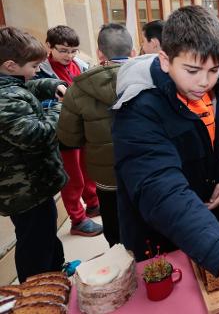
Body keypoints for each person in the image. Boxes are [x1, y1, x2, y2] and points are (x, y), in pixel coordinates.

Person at [111, 5, 219, 313]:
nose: (204, 82)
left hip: (205, 221)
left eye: (214, 70)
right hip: (160, 237)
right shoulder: (137, 107)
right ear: (166, 60)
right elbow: (159, 186)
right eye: (192, 71)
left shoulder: (212, 90)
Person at [57, 24, 136, 247]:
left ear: (100, 53)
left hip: (105, 174)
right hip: (143, 166)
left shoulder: (79, 88)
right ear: (132, 52)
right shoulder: (149, 79)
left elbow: (69, 138)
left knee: (114, 227)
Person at [0, 26, 67, 282]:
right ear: (10, 65)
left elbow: (29, 87)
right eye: (34, 65)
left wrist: (55, 86)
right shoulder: (4, 98)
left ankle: (56, 272)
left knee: (46, 233)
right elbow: (35, 135)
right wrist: (60, 110)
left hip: (33, 185)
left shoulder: (11, 85)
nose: (38, 70)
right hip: (24, 190)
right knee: (35, 243)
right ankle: (36, 288)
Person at [39, 25, 102, 237]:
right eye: (63, 50)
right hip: (63, 131)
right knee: (72, 176)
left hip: (82, 126)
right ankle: (77, 218)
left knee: (87, 170)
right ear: (49, 46)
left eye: (73, 50)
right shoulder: (40, 71)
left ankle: (93, 204)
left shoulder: (80, 65)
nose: (69, 55)